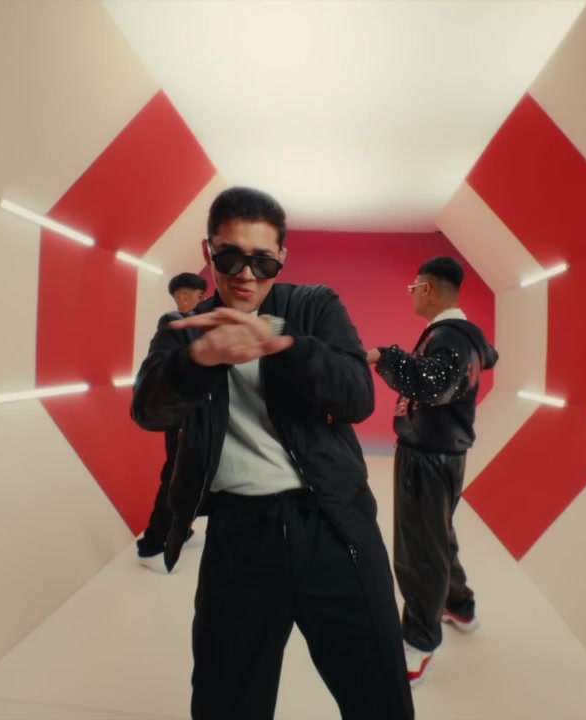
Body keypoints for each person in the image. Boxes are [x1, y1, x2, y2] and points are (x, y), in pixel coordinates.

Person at [131, 187, 415, 720]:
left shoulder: (313, 305)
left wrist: (281, 346)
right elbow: (148, 410)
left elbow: (357, 395)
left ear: (282, 258)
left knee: (379, 699)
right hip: (238, 535)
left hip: (333, 524)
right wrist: (198, 360)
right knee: (225, 704)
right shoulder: (184, 331)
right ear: (209, 251)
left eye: (262, 262)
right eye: (229, 258)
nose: (245, 275)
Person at [366, 256, 499, 687]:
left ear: (426, 289)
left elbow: (433, 385)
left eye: (413, 289)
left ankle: (420, 640)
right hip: (445, 454)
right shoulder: (463, 337)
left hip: (427, 457)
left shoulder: (449, 336)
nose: (412, 296)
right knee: (436, 534)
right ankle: (458, 604)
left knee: (419, 549)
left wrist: (384, 356)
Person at [137, 272, 210, 573]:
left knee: (192, 476)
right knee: (177, 476)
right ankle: (152, 546)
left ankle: (183, 529)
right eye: (200, 296)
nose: (204, 301)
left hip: (197, 414)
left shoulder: (197, 325)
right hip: (183, 416)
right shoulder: (172, 326)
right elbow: (162, 375)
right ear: (184, 297)